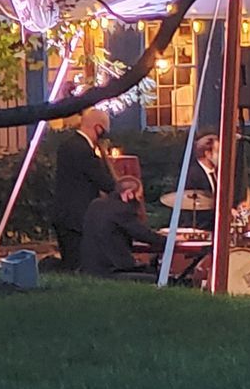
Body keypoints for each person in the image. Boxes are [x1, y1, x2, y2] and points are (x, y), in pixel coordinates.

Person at [48, 108, 117, 269]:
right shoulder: (83, 150)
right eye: (104, 133)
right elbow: (104, 182)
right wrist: (124, 190)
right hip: (76, 219)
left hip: (64, 215)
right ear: (98, 128)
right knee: (77, 266)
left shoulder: (68, 145)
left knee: (70, 264)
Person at [79, 177, 170, 280]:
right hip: (111, 271)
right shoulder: (122, 210)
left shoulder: (95, 205)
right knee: (161, 279)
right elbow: (143, 234)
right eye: (139, 196)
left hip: (91, 268)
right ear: (129, 194)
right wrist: (170, 240)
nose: (139, 200)